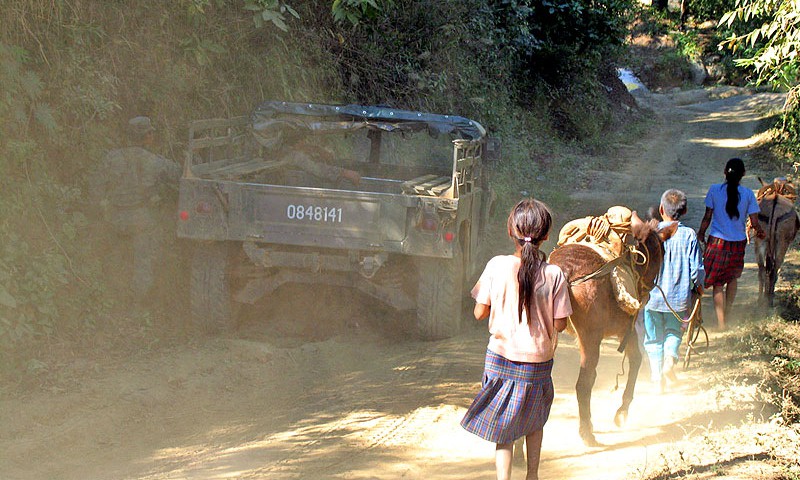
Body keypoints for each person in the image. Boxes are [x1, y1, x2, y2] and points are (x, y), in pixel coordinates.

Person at [461, 198, 572, 480]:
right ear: (546, 235)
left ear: (510, 231)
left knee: (504, 425)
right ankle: (532, 475)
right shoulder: (555, 274)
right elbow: (560, 325)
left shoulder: (496, 265)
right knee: (535, 421)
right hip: (537, 363)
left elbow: (478, 312)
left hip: (499, 359)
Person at [89, 116, 181, 302]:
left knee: (113, 259)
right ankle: (137, 307)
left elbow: (95, 187)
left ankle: (110, 299)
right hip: (141, 221)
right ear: (147, 136)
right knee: (144, 262)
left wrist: (99, 212)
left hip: (114, 219)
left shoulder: (111, 158)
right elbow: (179, 174)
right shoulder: (154, 161)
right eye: (151, 133)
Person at [643, 189, 705, 392]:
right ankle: (670, 361)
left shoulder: (649, 234)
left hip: (651, 299)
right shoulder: (689, 235)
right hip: (678, 300)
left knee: (653, 338)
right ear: (684, 211)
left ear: (661, 209)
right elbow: (696, 270)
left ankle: (656, 377)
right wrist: (699, 286)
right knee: (673, 332)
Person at [697, 158, 766, 330]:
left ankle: (721, 324)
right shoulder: (749, 194)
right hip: (737, 243)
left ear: (724, 172)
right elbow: (754, 221)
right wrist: (760, 231)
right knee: (732, 278)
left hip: (717, 243)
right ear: (743, 174)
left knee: (718, 283)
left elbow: (707, 217)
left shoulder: (714, 190)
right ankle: (728, 314)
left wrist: (701, 233)